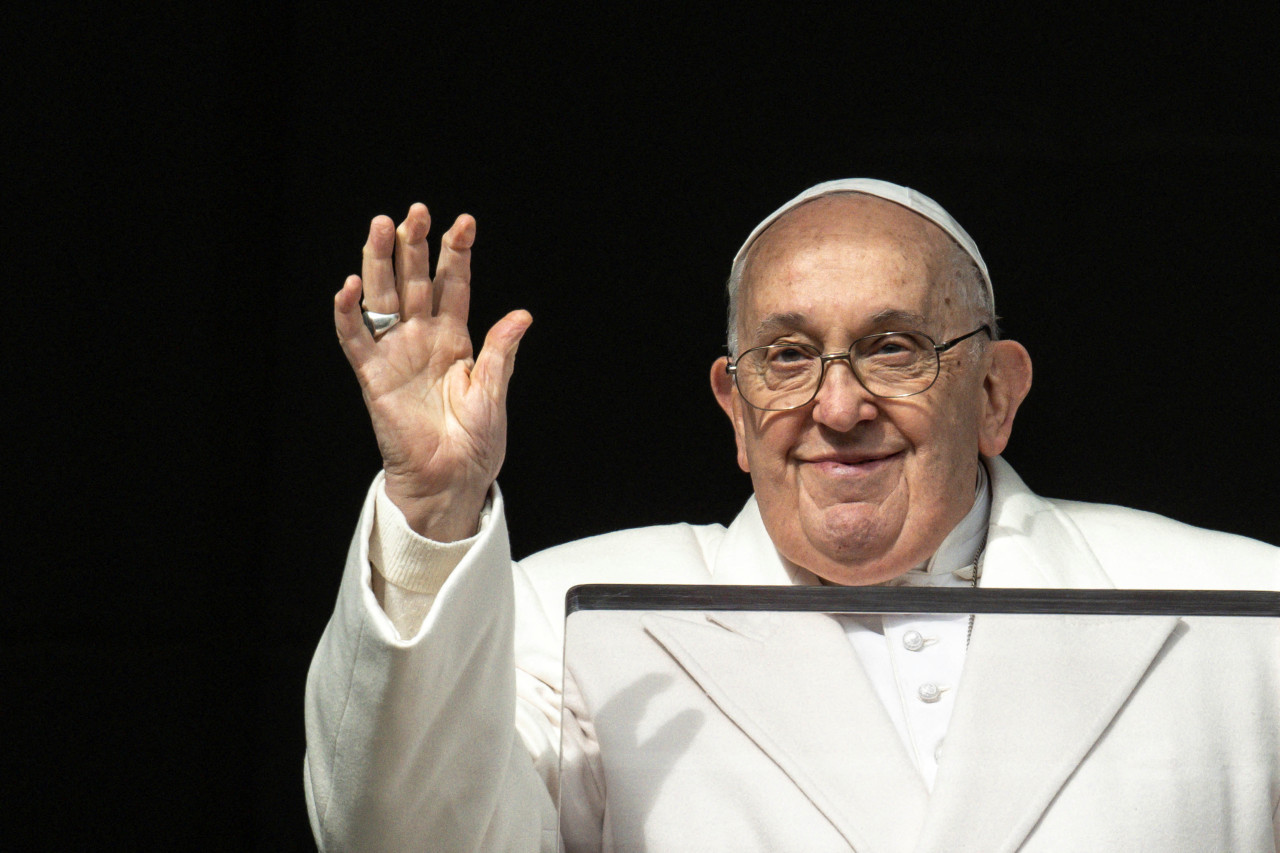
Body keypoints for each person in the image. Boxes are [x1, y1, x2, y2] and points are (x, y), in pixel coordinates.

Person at [306, 179, 1279, 851]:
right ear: (733, 408)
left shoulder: (1237, 607)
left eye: (892, 346)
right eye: (786, 355)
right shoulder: (562, 616)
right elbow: (405, 835)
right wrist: (433, 509)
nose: (839, 405)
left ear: (992, 392)